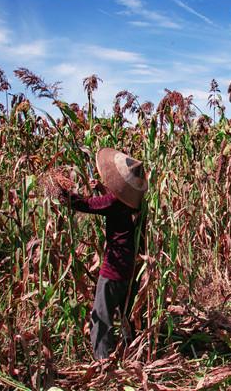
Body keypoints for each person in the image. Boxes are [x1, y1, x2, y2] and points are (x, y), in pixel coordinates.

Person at [59, 148, 148, 359]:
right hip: (133, 266)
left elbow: (85, 204)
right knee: (128, 311)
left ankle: (102, 360)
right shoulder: (136, 205)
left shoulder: (114, 203)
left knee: (101, 315)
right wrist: (100, 187)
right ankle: (135, 350)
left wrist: (60, 191)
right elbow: (113, 205)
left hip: (114, 268)